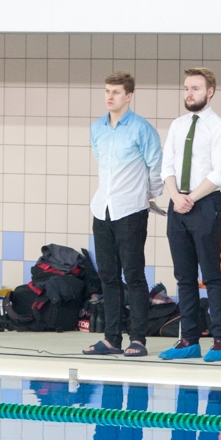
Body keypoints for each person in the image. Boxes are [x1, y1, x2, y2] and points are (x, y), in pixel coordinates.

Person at [159, 68, 221, 363]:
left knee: (211, 275)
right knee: (184, 277)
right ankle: (189, 339)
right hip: (177, 205)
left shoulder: (219, 127)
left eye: (195, 88)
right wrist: (176, 196)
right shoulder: (178, 125)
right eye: (186, 88)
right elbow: (167, 166)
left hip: (205, 204)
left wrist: (190, 197)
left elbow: (220, 173)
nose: (189, 93)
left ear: (210, 92)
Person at [84, 73, 163, 358]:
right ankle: (111, 337)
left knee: (133, 274)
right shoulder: (97, 129)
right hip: (101, 208)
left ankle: (138, 338)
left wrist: (145, 196)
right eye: (107, 91)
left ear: (129, 96)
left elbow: (157, 169)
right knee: (107, 275)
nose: (110, 97)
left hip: (131, 209)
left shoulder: (142, 129)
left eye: (116, 92)